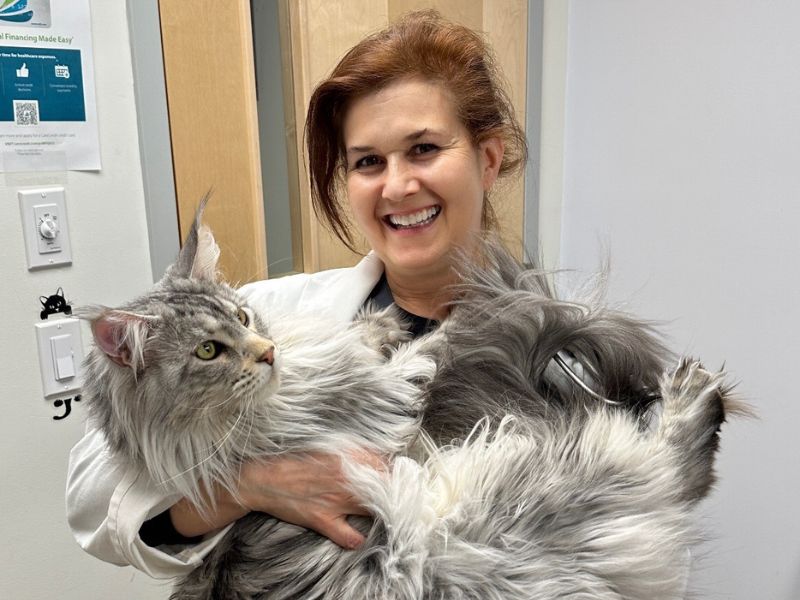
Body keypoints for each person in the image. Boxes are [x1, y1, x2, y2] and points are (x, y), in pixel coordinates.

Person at [66, 10, 527, 578]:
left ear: (487, 158)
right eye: (368, 162)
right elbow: (89, 497)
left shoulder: (568, 354)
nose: (398, 185)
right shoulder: (274, 315)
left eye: (425, 148)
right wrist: (255, 485)